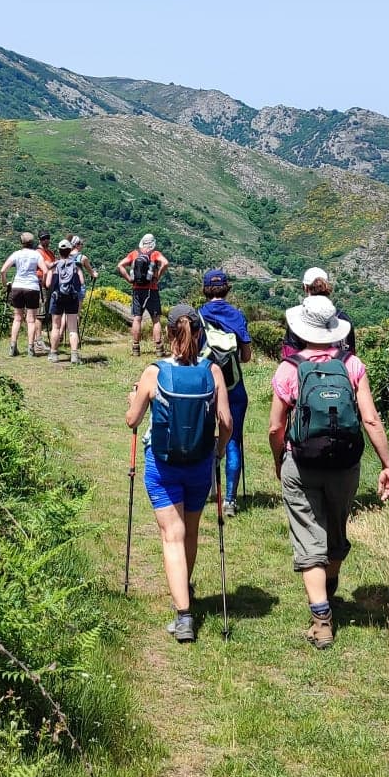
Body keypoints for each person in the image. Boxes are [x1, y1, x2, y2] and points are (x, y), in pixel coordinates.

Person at [268, 294, 389, 650]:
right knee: (336, 534)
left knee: (309, 538)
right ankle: (330, 597)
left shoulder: (288, 369)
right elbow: (370, 418)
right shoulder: (353, 365)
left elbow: (276, 428)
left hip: (302, 461)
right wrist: (387, 464)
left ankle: (321, 619)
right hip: (345, 464)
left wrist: (280, 459)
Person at [124, 305, 231, 643]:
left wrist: (133, 398)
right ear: (199, 334)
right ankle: (184, 590)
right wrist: (218, 449)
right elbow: (226, 423)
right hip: (200, 462)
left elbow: (132, 420)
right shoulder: (213, 372)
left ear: (169, 334)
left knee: (173, 534)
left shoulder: (154, 372)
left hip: (163, 463)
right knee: (191, 531)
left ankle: (184, 616)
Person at [197, 269, 254, 516]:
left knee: (202, 436)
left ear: (206, 289)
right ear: (227, 288)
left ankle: (203, 489)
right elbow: (247, 356)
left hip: (205, 386)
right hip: (234, 387)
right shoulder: (237, 316)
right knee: (233, 439)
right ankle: (229, 499)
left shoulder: (197, 315)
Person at [278, 266, 356, 362]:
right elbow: (351, 354)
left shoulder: (298, 319)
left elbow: (290, 356)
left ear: (305, 287)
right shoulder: (343, 319)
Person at [116, 234, 169, 358]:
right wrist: (158, 276)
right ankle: (159, 348)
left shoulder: (134, 254)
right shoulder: (155, 254)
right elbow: (165, 263)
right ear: (152, 243)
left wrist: (129, 279)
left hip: (137, 290)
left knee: (137, 318)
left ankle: (135, 347)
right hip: (152, 290)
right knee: (155, 320)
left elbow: (120, 265)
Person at [0, 231, 47, 357]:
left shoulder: (16, 254)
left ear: (21, 242)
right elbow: (45, 270)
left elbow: (3, 270)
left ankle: (12, 346)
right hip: (32, 287)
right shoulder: (36, 255)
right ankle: (31, 348)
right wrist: (42, 283)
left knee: (17, 318)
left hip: (17, 286)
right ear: (32, 243)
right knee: (31, 320)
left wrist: (5, 284)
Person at [47, 236, 92, 364]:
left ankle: (54, 354)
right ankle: (74, 355)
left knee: (56, 327)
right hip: (72, 298)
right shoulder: (76, 265)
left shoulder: (54, 265)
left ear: (59, 251)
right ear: (70, 249)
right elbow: (82, 282)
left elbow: (48, 283)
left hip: (57, 297)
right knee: (72, 328)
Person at [32, 230, 58, 355]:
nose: (46, 240)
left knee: (46, 312)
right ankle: (38, 340)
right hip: (40, 283)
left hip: (50, 284)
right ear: (40, 240)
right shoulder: (39, 252)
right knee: (40, 313)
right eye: (43, 238)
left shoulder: (50, 252)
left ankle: (40, 339)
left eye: (47, 238)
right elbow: (48, 265)